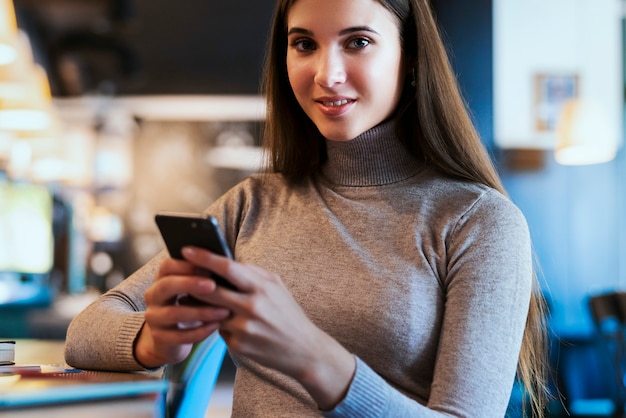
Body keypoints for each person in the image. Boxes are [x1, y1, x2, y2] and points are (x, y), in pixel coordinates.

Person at [65, 0, 549, 416]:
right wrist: (155, 340)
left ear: (412, 57)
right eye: (304, 44)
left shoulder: (479, 222)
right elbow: (84, 333)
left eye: (357, 42)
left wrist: (311, 355)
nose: (326, 74)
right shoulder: (252, 203)